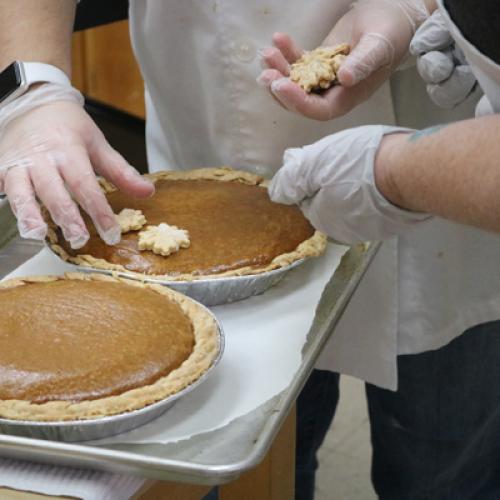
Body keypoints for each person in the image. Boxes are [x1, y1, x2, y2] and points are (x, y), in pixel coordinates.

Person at [0, 0, 484, 498]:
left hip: (453, 161)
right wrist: (34, 86)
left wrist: (414, 8)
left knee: (447, 466)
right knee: (262, 460)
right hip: (211, 140)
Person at [267, 1, 500, 498]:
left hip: (454, 214)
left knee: (444, 467)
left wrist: (391, 171)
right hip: (232, 127)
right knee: (271, 464)